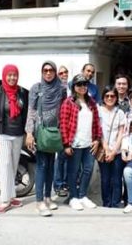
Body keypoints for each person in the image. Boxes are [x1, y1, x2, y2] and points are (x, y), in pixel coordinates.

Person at [26, 61, 66, 217]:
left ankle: (48, 197)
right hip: (40, 132)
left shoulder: (61, 89)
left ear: (55, 72)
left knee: (50, 165)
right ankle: (39, 201)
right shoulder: (37, 88)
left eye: (51, 70)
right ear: (42, 72)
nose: (48, 73)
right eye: (45, 70)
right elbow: (31, 111)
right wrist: (29, 133)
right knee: (42, 166)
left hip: (54, 133)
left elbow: (62, 110)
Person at [0, 64, 29, 214]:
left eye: (15, 75)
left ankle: (12, 197)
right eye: (9, 75)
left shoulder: (22, 92)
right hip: (2, 134)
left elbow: (24, 115)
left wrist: (26, 133)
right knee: (4, 166)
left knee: (13, 166)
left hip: (17, 134)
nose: (12, 78)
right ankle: (4, 200)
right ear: (4, 76)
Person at [60, 73, 102, 211]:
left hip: (89, 143)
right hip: (75, 143)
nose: (82, 87)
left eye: (85, 84)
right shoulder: (68, 102)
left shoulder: (92, 103)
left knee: (88, 169)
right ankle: (74, 196)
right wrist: (66, 144)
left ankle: (83, 195)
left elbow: (97, 123)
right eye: (79, 84)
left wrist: (97, 139)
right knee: (73, 170)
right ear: (74, 87)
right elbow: (63, 124)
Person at [97, 85, 126, 208]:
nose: (110, 98)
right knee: (105, 179)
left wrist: (114, 151)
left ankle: (115, 203)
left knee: (117, 179)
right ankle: (106, 203)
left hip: (117, 151)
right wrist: (106, 148)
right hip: (103, 150)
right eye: (107, 96)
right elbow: (99, 131)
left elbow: (121, 132)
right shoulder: (98, 110)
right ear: (103, 97)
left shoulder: (119, 112)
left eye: (112, 96)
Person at [53, 65, 70, 197]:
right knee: (60, 158)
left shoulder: (70, 87)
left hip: (70, 127)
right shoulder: (57, 89)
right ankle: (58, 184)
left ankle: (65, 182)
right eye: (61, 73)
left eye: (65, 72)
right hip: (60, 126)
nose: (64, 75)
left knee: (67, 156)